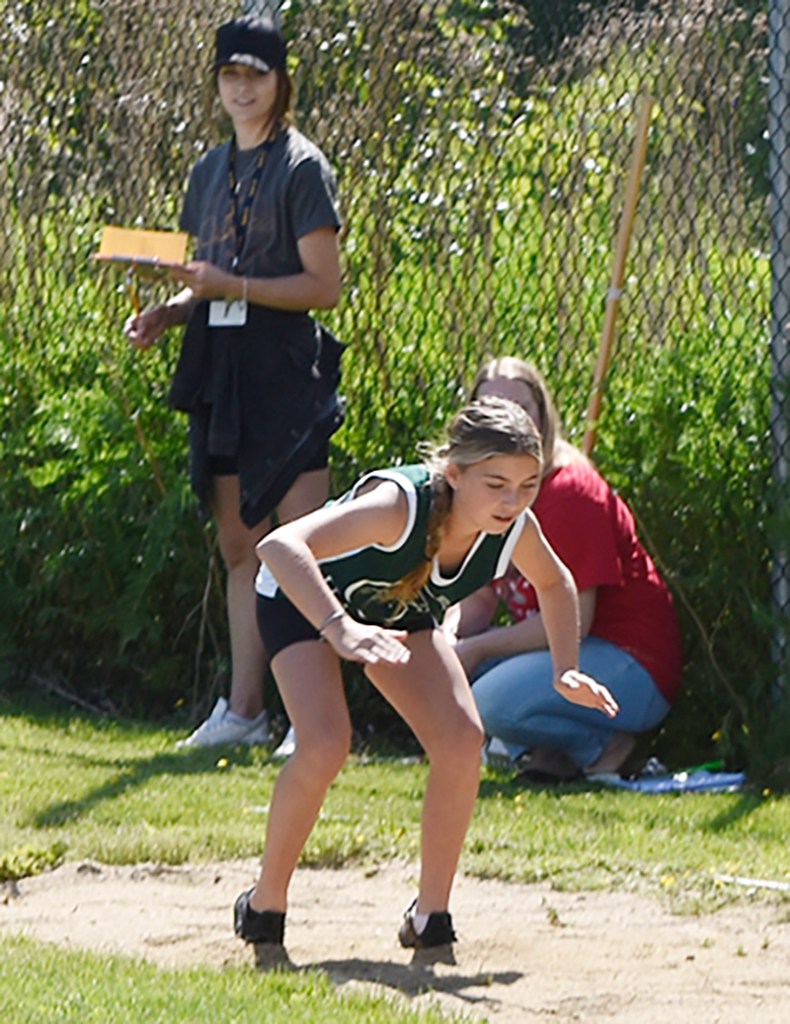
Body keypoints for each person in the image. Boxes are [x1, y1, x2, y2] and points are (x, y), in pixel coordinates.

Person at [233, 396, 619, 952]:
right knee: (325, 744)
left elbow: (555, 584)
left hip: (396, 614)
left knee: (462, 741)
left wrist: (566, 671)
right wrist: (339, 628)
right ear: (454, 474)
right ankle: (264, 904)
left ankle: (430, 915)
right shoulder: (399, 505)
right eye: (496, 484)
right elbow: (280, 546)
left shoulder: (513, 527)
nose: (512, 501)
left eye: (528, 485)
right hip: (302, 599)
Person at [124, 15, 345, 748]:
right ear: (216, 82)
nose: (242, 87)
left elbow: (323, 287)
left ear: (281, 81)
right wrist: (170, 313)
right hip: (221, 370)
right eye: (230, 74)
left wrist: (233, 287)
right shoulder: (207, 172)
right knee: (239, 547)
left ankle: (310, 721)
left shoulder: (303, 167)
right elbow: (209, 281)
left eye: (256, 74)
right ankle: (244, 713)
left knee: (302, 548)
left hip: (287, 373)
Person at [446, 357, 682, 782]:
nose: (505, 420)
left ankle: (604, 747)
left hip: (629, 661)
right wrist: (447, 638)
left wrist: (477, 648)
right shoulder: (486, 488)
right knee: (439, 669)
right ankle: (547, 751)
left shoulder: (569, 490)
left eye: (520, 409)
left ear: (542, 417)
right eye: (490, 408)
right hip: (564, 652)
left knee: (488, 701)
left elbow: (575, 622)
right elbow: (481, 596)